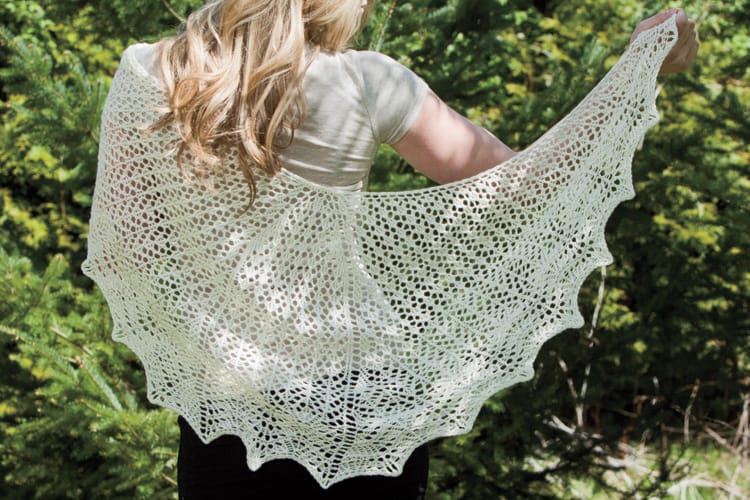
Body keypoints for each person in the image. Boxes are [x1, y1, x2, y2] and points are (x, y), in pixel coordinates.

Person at [107, 1, 698, 498]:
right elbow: (526, 183)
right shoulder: (368, 81)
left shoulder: (146, 72)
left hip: (225, 401)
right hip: (362, 397)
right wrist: (637, 66)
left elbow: (133, 245)